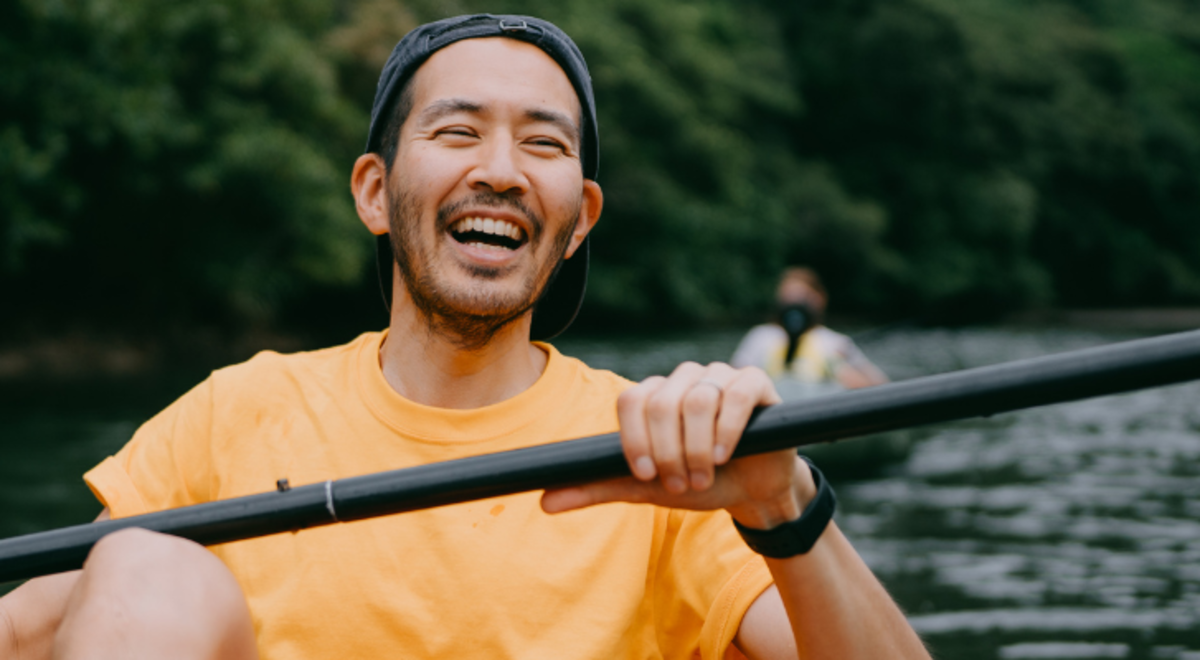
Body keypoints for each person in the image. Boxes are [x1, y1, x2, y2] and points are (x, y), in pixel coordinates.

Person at [0, 15, 929, 660]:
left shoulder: (666, 457)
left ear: (579, 221)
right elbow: (38, 627)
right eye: (457, 130)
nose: (499, 171)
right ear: (374, 191)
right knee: (137, 562)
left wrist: (784, 507)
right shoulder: (234, 413)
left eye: (544, 145)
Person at [732, 268, 888, 397]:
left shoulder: (837, 343)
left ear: (819, 298)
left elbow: (881, 388)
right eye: (788, 297)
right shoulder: (760, 336)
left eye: (801, 297)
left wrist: (841, 371)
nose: (794, 304)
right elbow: (734, 379)